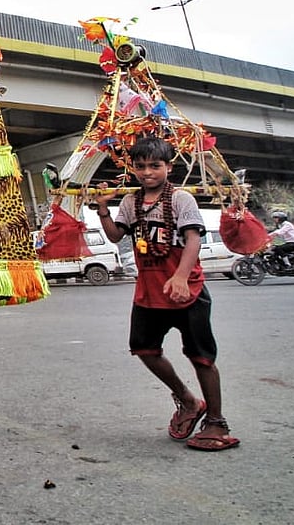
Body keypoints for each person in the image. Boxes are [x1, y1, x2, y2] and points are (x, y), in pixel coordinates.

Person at [95, 137, 239, 451]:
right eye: (141, 166)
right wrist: (103, 209)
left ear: (168, 167)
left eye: (155, 166)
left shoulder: (182, 199)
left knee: (201, 357)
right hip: (148, 292)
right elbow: (116, 235)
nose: (148, 172)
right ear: (132, 168)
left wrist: (180, 276)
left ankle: (217, 422)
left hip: (187, 291)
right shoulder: (131, 203)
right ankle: (188, 402)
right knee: (144, 350)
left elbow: (192, 241)